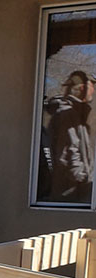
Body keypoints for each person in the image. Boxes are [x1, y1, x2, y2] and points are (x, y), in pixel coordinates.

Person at [45, 70, 95, 204]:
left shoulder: (77, 115)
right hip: (69, 195)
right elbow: (68, 152)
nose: (93, 91)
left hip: (74, 192)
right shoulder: (67, 114)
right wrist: (84, 178)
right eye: (92, 86)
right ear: (83, 88)